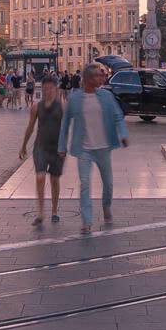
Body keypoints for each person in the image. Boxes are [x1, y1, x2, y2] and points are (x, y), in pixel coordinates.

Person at [58, 63, 128, 234]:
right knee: (85, 184)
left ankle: (106, 206)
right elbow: (65, 123)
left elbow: (118, 116)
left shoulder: (106, 96)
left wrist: (123, 133)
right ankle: (87, 221)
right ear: (89, 79)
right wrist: (62, 147)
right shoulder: (75, 99)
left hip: (103, 147)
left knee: (109, 184)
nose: (102, 78)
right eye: (98, 75)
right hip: (84, 149)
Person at [19, 77, 66, 226]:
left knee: (54, 179)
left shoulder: (63, 106)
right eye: (45, 88)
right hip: (40, 147)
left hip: (57, 148)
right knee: (40, 177)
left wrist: (64, 147)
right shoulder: (36, 107)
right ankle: (40, 213)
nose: (48, 91)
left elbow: (67, 128)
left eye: (51, 88)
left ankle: (54, 211)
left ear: (56, 89)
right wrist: (23, 145)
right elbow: (30, 127)